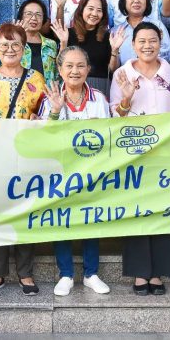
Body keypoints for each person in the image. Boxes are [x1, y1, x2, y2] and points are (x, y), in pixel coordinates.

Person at [0, 23, 46, 295]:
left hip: (27, 155)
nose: (10, 49)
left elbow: (46, 110)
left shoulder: (36, 78)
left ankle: (26, 273)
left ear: (24, 49)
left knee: (25, 211)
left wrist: (39, 118)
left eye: (16, 44)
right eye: (4, 45)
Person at [110, 21, 170, 295]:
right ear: (133, 45)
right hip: (134, 153)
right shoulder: (122, 73)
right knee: (137, 210)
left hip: (166, 152)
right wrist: (126, 99)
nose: (147, 45)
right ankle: (140, 272)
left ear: (160, 43)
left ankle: (157, 272)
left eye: (152, 40)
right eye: (141, 41)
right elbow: (115, 115)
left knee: (163, 209)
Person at [37, 47, 112, 297]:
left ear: (88, 69)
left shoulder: (99, 99)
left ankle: (91, 274)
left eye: (80, 65)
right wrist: (55, 112)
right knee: (62, 220)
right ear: (59, 70)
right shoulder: (49, 99)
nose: (75, 71)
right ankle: (66, 274)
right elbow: (41, 138)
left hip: (92, 173)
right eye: (68, 66)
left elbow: (110, 133)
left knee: (91, 219)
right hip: (60, 173)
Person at [50, 0, 123, 95]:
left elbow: (112, 69)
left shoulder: (108, 36)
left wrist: (115, 50)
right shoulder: (68, 34)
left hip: (101, 86)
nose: (94, 14)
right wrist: (63, 42)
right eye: (90, 9)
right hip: (73, 85)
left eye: (99, 10)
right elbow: (60, 65)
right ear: (81, 10)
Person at [0, 0, 59, 85]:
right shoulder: (15, 43)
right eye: (29, 14)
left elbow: (57, 73)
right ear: (21, 17)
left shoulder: (51, 44)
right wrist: (13, 36)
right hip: (21, 91)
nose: (34, 18)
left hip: (46, 92)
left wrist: (63, 42)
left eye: (38, 15)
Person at [111, 0, 170, 66]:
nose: (136, 1)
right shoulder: (116, 32)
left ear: (147, 2)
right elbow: (112, 69)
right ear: (123, 1)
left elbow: (169, 59)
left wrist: (159, 44)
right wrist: (114, 51)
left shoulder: (158, 26)